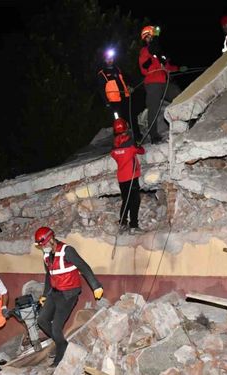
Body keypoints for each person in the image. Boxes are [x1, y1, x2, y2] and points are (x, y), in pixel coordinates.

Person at [34, 227, 103, 367]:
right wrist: (45, 295)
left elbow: (83, 267)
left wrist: (96, 286)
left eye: (44, 244)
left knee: (56, 328)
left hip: (69, 295)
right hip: (55, 292)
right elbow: (49, 275)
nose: (43, 248)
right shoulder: (47, 256)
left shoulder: (67, 251)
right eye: (41, 246)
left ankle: (61, 353)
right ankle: (62, 343)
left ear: (51, 239)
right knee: (41, 320)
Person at [138, 25, 186, 144]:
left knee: (179, 96)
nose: (153, 38)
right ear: (146, 37)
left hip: (165, 83)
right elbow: (144, 68)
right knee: (153, 109)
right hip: (153, 84)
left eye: (153, 36)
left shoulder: (159, 52)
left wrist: (179, 68)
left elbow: (167, 67)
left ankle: (186, 120)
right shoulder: (145, 51)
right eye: (150, 36)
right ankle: (154, 136)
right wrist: (151, 55)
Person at [110, 118, 145, 234]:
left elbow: (116, 154)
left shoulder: (114, 148)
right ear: (126, 128)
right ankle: (133, 226)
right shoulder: (130, 145)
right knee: (135, 201)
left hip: (122, 178)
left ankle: (122, 223)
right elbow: (141, 151)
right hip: (131, 177)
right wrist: (137, 145)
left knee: (126, 201)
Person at [97, 48, 139, 139]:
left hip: (125, 98)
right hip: (114, 102)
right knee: (118, 122)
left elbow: (124, 81)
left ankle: (137, 136)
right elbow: (101, 90)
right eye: (108, 59)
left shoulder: (118, 69)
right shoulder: (102, 73)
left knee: (131, 117)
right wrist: (107, 103)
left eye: (111, 58)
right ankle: (121, 141)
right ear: (104, 60)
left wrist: (129, 87)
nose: (110, 60)